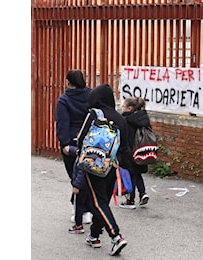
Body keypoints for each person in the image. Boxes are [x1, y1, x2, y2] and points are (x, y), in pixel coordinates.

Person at [74, 83, 131, 256]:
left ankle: (116, 236)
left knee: (97, 202)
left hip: (94, 164)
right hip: (112, 166)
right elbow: (125, 147)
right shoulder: (121, 119)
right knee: (102, 201)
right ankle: (94, 236)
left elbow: (81, 138)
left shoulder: (94, 114)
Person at [55, 70, 93, 231]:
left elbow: (62, 123)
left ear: (67, 81)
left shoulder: (64, 100)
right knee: (87, 177)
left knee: (75, 176)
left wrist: (64, 144)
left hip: (72, 143)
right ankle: (84, 209)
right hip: (90, 141)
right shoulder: (91, 95)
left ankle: (82, 210)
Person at [119, 97, 151, 209]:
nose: (121, 108)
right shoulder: (143, 118)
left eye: (123, 106)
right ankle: (142, 193)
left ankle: (130, 200)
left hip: (129, 151)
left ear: (130, 108)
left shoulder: (126, 120)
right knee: (137, 173)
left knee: (130, 175)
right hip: (141, 150)